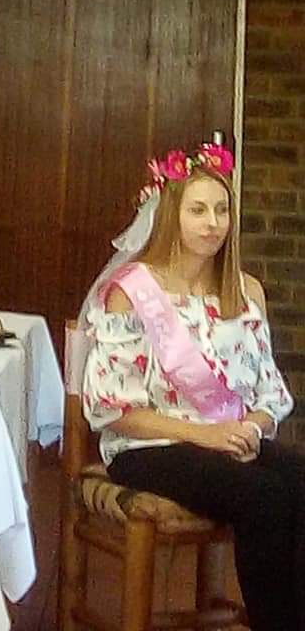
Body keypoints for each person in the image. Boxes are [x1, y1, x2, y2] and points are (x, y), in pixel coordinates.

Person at [80, 143, 298, 631]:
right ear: (170, 215)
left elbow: (270, 392)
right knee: (262, 496)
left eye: (221, 210)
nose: (212, 223)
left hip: (228, 440)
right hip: (148, 448)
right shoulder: (131, 293)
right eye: (198, 210)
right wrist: (207, 435)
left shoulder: (246, 292)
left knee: (297, 480)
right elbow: (112, 408)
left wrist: (250, 428)